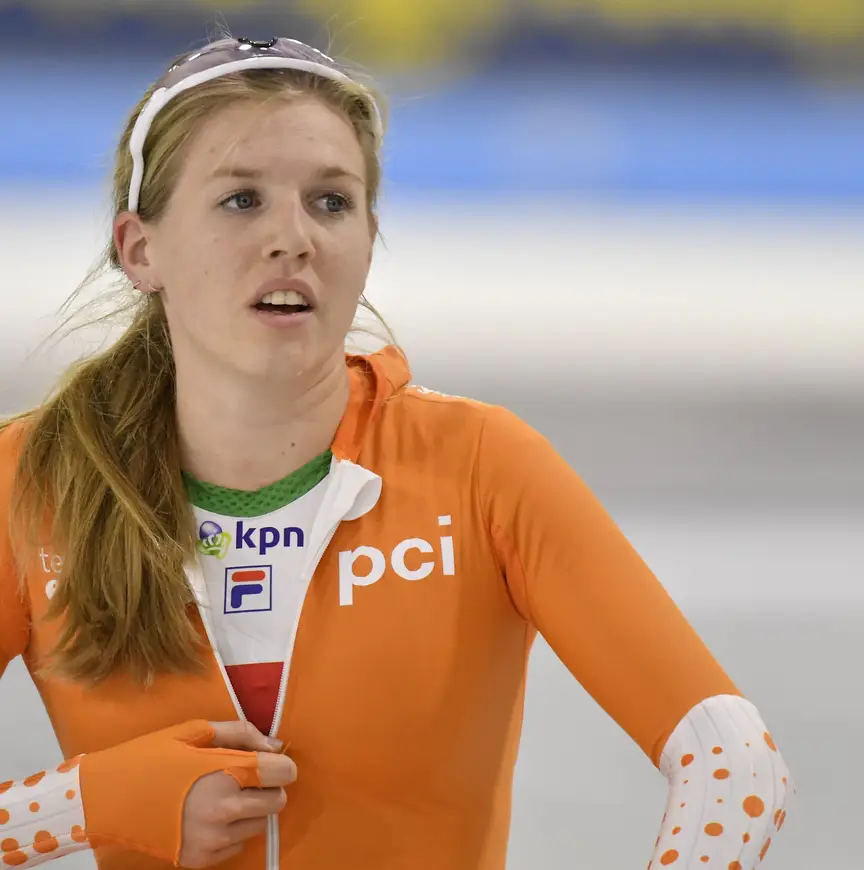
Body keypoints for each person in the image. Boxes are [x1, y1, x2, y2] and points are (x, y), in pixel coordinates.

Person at [0, 35, 792, 870]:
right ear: (140, 249)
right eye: (241, 200)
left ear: (369, 238)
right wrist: (92, 802)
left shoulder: (481, 467)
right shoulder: (32, 482)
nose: (293, 237)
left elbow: (735, 764)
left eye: (330, 202)